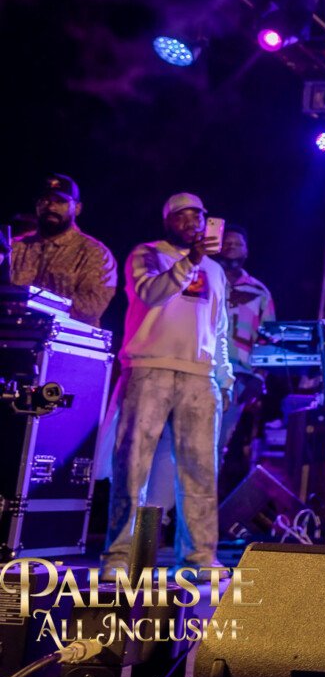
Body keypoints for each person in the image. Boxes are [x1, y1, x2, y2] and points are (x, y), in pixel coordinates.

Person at [102, 193, 234, 572]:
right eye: (181, 217)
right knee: (132, 466)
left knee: (200, 471)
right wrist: (190, 261)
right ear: (167, 222)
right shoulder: (146, 254)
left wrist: (224, 376)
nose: (191, 222)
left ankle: (199, 558)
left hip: (199, 376)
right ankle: (119, 557)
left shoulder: (216, 270)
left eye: (198, 216)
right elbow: (151, 293)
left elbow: (219, 328)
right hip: (149, 368)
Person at [9, 173, 117, 326]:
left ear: (77, 208)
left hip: (66, 338)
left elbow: (91, 307)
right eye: (44, 200)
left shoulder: (95, 253)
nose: (51, 207)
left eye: (60, 201)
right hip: (13, 336)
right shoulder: (15, 247)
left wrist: (33, 303)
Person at [216, 224, 275, 464]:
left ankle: (207, 489)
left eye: (237, 244)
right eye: (226, 243)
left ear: (246, 250)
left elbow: (269, 337)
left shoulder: (259, 292)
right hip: (200, 368)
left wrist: (259, 377)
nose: (231, 247)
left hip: (239, 376)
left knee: (219, 442)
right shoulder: (204, 280)